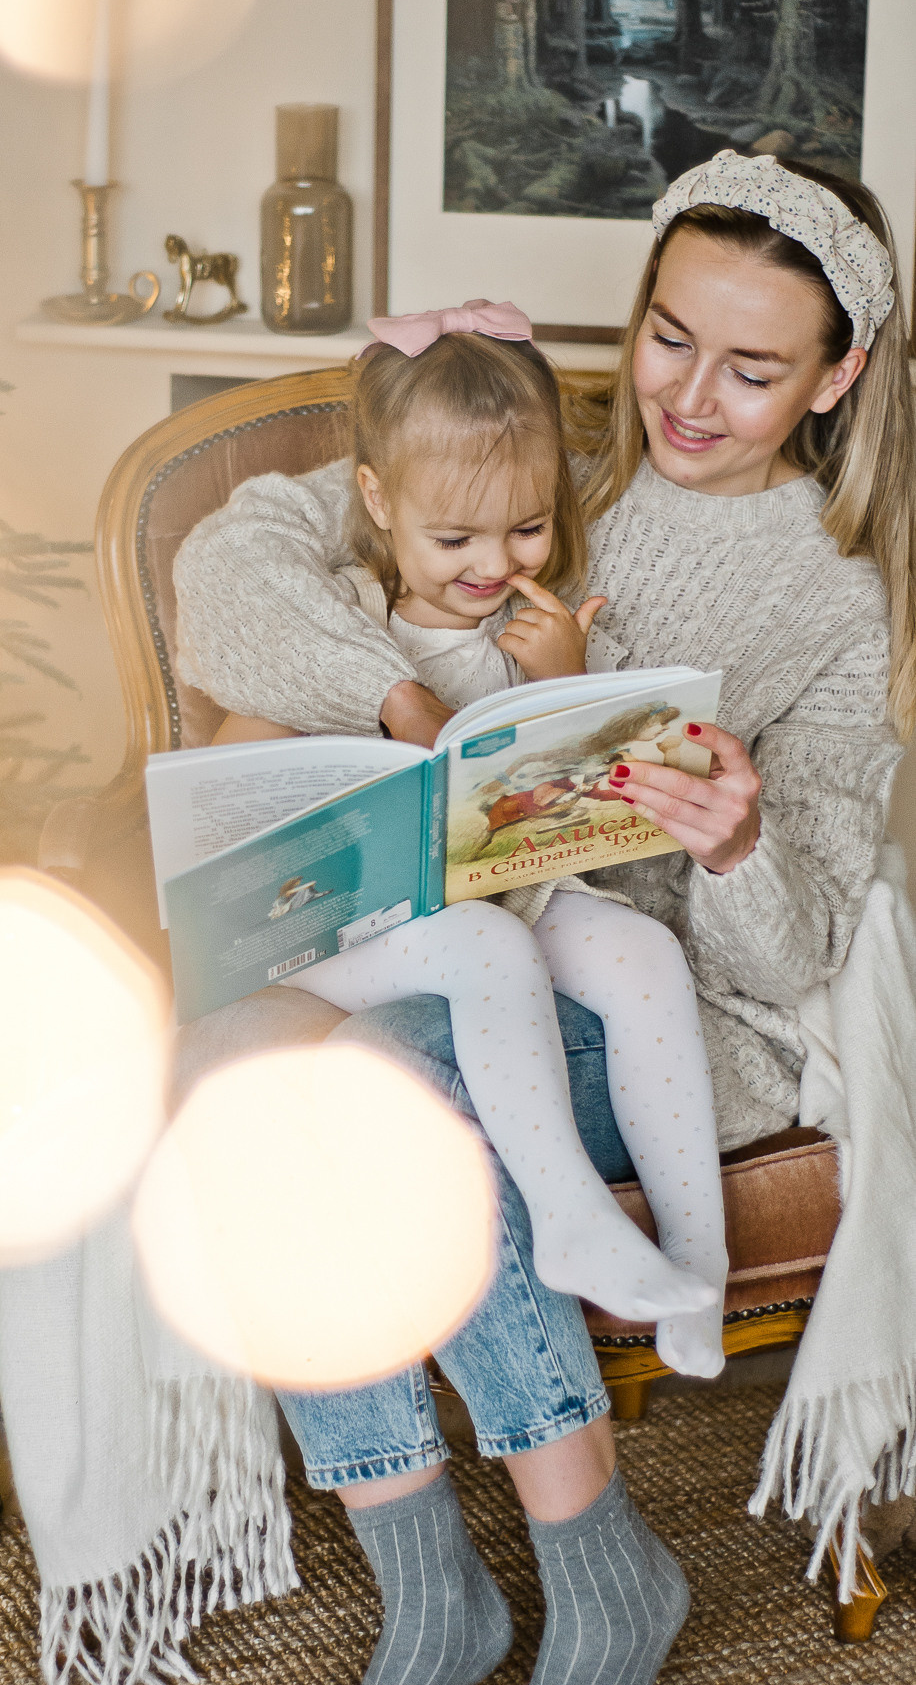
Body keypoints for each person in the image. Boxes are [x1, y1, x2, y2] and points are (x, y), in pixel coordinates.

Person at [173, 152, 914, 1685]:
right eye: (668, 338)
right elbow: (231, 562)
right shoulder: (543, 460)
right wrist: (383, 693)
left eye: (755, 368)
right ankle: (429, 1577)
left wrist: (735, 843)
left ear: (838, 378)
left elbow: (801, 957)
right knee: (232, 1074)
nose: (690, 399)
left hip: (681, 1011)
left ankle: (595, 1567)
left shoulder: (839, 603)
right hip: (460, 938)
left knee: (373, 1100)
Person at [214, 310, 727, 1367]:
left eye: (526, 527)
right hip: (376, 925)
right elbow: (241, 768)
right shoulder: (338, 623)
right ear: (374, 500)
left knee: (643, 955)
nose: (493, 563)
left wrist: (567, 686)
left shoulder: (557, 627)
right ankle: (573, 1221)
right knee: (485, 950)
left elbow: (607, 818)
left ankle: (696, 1267)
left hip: (520, 889)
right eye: (453, 539)